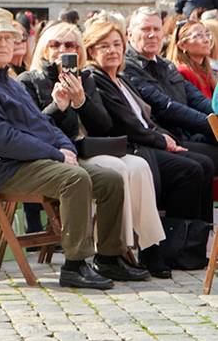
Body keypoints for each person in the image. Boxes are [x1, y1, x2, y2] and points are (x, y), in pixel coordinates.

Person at [0, 8, 126, 290]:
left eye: (9, 38)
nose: (5, 44)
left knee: (110, 179)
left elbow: (41, 123)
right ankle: (75, 264)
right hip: (5, 168)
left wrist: (65, 147)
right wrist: (57, 154)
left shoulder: (6, 79)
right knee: (75, 179)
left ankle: (108, 256)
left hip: (33, 161)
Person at [19, 21, 159, 280]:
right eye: (56, 44)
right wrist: (58, 105)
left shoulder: (84, 77)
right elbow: (34, 127)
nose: (63, 49)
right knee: (115, 170)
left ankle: (145, 246)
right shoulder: (29, 80)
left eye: (70, 45)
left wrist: (81, 101)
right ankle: (115, 249)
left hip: (86, 146)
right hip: (56, 154)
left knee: (139, 165)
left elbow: (102, 125)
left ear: (79, 50)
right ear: (43, 48)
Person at [83, 15, 213, 274]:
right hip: (130, 147)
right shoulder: (95, 78)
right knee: (190, 169)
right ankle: (170, 247)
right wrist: (161, 141)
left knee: (203, 163)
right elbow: (122, 124)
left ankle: (195, 244)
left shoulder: (122, 78)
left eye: (116, 45)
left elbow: (147, 117)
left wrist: (168, 138)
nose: (112, 51)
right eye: (104, 46)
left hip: (149, 140)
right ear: (90, 50)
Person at [123, 6, 218, 179]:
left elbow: (197, 99)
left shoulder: (166, 64)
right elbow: (165, 106)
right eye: (145, 29)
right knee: (207, 161)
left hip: (184, 135)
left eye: (156, 29)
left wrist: (216, 117)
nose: (152, 35)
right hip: (161, 139)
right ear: (129, 34)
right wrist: (211, 125)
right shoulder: (127, 67)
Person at [168, 19, 216, 101]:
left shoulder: (205, 71)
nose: (206, 40)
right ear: (182, 45)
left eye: (207, 34)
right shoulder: (183, 72)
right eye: (199, 36)